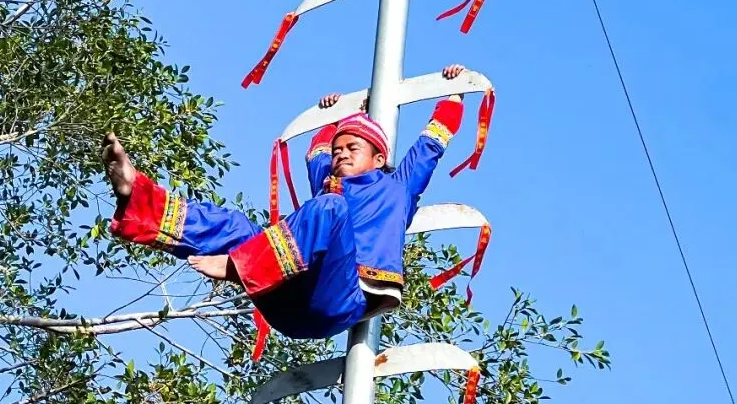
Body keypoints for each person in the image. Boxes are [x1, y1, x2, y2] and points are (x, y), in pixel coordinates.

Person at [102, 64, 468, 340]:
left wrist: (454, 94)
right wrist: (336, 116)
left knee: (330, 208)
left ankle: (241, 266)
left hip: (339, 298)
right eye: (338, 150)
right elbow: (317, 152)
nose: (341, 154)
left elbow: (431, 146)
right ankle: (137, 196)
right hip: (287, 296)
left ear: (378, 158)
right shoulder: (328, 183)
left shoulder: (397, 188)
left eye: (352, 148)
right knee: (237, 226)